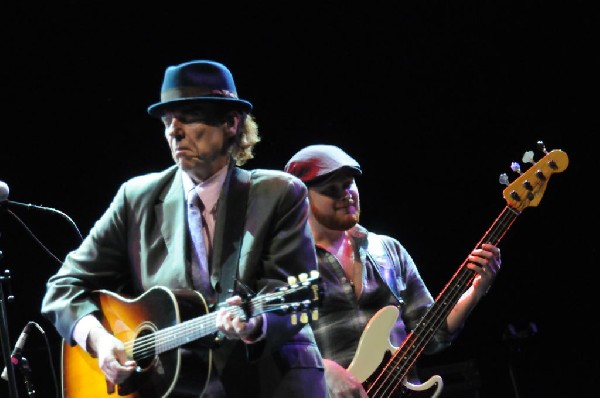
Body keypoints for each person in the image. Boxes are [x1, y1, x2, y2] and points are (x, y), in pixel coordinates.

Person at [41, 60, 327, 398]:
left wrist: (255, 324)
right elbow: (62, 288)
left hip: (270, 382)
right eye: (167, 121)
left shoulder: (279, 193)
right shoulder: (136, 199)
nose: (173, 131)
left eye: (189, 117)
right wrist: (99, 340)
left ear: (231, 123)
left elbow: (288, 292)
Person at [284, 144, 501, 397]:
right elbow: (275, 349)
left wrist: (476, 290)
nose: (347, 195)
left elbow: (432, 334)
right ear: (301, 197)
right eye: (331, 190)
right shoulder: (288, 263)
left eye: (349, 184)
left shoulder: (387, 249)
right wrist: (325, 369)